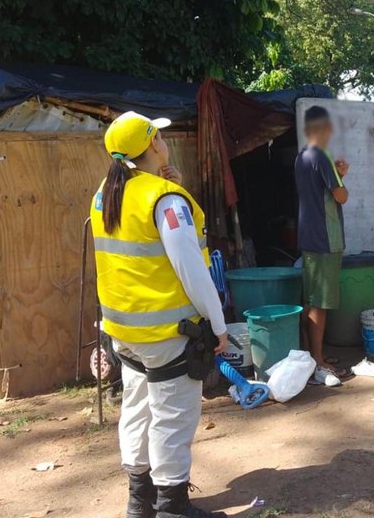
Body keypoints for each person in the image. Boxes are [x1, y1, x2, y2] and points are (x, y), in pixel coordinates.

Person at [90, 112, 228, 518]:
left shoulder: (106, 193)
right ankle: (172, 507)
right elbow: (192, 270)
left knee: (137, 409)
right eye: (160, 136)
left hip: (124, 332)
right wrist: (218, 326)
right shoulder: (165, 200)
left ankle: (140, 501)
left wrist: (169, 185)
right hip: (168, 334)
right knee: (172, 416)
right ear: (154, 145)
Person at [294, 106, 351, 384]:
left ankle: (310, 355)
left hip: (308, 235)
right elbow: (340, 196)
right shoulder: (323, 156)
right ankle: (318, 361)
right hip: (326, 238)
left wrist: (337, 175)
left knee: (310, 299)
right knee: (320, 304)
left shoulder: (302, 156)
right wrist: (342, 174)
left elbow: (320, 191)